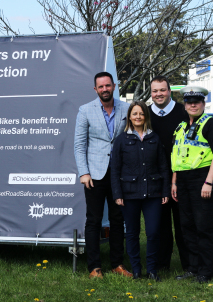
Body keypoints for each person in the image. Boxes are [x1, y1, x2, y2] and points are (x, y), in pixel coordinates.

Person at [74, 71, 131, 279]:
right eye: (101, 87)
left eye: (108, 85)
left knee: (118, 220)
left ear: (114, 86)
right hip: (94, 175)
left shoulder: (126, 108)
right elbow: (79, 145)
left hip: (120, 174)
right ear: (95, 89)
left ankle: (117, 263)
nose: (105, 89)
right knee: (94, 220)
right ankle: (94, 267)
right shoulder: (85, 110)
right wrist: (84, 172)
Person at [111, 101, 170, 281]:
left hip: (153, 193)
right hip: (129, 194)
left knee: (152, 232)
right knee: (132, 233)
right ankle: (136, 269)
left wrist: (165, 191)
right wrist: (118, 194)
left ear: (146, 116)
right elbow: (115, 169)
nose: (138, 117)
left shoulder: (155, 138)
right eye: (134, 113)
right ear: (129, 116)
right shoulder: (122, 140)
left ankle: (152, 270)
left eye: (141, 114)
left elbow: (163, 166)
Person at [171, 86, 213, 283]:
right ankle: (193, 268)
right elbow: (177, 156)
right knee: (187, 226)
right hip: (183, 181)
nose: (193, 104)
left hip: (203, 179)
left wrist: (208, 182)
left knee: (204, 227)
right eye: (189, 101)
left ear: (203, 103)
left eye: (197, 101)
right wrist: (175, 182)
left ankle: (205, 271)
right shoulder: (181, 127)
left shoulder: (212, 125)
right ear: (184, 105)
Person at [148, 76, 190, 271]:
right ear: (151, 93)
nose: (159, 94)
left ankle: (189, 265)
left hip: (182, 176)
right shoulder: (145, 115)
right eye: (155, 91)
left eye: (162, 90)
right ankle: (162, 265)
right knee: (161, 225)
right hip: (156, 178)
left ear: (169, 91)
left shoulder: (184, 111)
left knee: (184, 223)